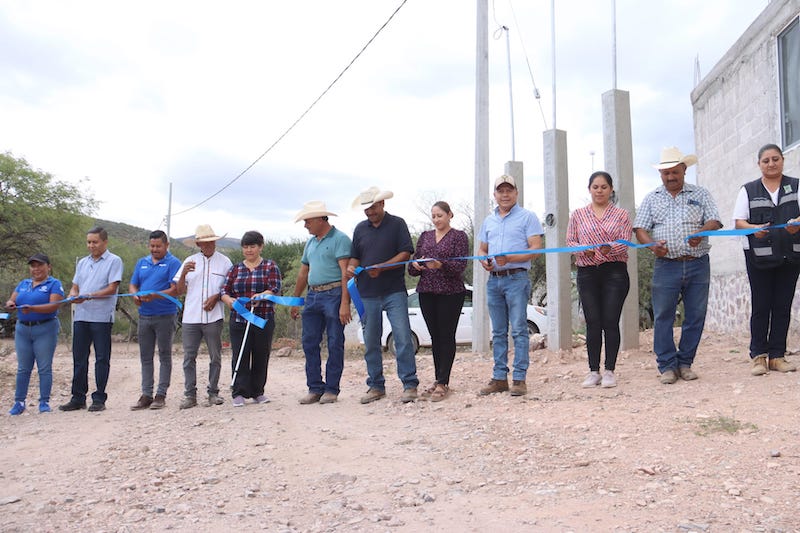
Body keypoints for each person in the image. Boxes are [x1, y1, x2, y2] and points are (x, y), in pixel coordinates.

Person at [634, 147, 722, 385]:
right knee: (663, 316)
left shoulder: (701, 194)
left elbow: (715, 220)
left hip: (698, 263)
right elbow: (640, 228)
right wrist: (653, 246)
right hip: (666, 265)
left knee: (695, 316)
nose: (670, 177)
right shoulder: (652, 198)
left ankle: (685, 363)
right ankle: (667, 367)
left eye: (675, 172)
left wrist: (701, 232)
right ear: (660, 174)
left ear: (684, 170)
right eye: (666, 173)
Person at [347, 186, 419, 404]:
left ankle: (409, 384)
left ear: (382, 204)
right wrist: (351, 268)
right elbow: (355, 257)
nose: (369, 212)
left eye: (372, 207)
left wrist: (383, 267)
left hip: (394, 290)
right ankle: (376, 385)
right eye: (366, 209)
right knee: (370, 341)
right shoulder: (360, 229)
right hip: (367, 292)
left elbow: (406, 252)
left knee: (403, 337)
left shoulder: (398, 224)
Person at [733, 144, 800, 376]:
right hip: (758, 258)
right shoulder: (748, 190)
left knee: (782, 306)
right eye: (766, 160)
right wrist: (753, 229)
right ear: (759, 164)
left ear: (782, 160)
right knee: (761, 306)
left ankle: (777, 356)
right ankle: (758, 356)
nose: (771, 164)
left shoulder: (796, 185)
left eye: (775, 159)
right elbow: (738, 222)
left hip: (790, 256)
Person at [477, 175, 543, 397]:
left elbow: (535, 249)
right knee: (497, 332)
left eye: (509, 190)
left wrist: (512, 259)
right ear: (494, 195)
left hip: (516, 278)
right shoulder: (489, 221)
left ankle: (519, 378)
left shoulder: (528, 217)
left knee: (518, 329)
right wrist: (483, 259)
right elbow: (482, 248)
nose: (505, 195)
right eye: (500, 191)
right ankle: (499, 378)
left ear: (516, 193)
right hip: (494, 279)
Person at [566, 172, 632, 389]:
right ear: (589, 189)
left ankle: (610, 370)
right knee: (593, 322)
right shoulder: (578, 215)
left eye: (604, 187)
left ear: (611, 189)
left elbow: (625, 241)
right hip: (587, 271)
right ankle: (593, 371)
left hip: (615, 271)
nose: (600, 190)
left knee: (610, 320)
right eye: (595, 187)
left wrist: (609, 248)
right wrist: (586, 251)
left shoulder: (621, 214)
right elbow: (570, 241)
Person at [290, 201, 352, 405]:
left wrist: (345, 303)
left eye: (307, 221)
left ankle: (332, 389)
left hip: (334, 294)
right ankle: (315, 387)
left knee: (335, 341)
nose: (305, 225)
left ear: (320, 219)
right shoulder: (310, 243)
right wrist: (295, 300)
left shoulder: (340, 239)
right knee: (309, 342)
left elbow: (346, 273)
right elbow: (303, 272)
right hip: (313, 295)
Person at [408, 201, 469, 401]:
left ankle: (444, 382)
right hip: (427, 291)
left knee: (446, 335)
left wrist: (440, 264)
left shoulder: (459, 236)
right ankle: (437, 379)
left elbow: (460, 266)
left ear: (450, 215)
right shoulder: (425, 237)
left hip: (450, 292)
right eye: (433, 216)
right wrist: (417, 265)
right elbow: (411, 266)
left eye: (440, 215)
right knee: (435, 336)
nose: (436, 220)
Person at [59, 226, 123, 413]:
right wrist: (73, 295)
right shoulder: (83, 263)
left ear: (105, 242)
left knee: (101, 358)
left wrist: (89, 295)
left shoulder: (114, 261)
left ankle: (99, 398)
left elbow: (112, 288)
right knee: (79, 358)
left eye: (95, 242)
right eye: (89, 242)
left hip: (101, 317)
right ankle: (78, 397)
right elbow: (75, 287)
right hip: (81, 316)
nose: (91, 245)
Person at [174, 224, 233, 409]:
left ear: (215, 241)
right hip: (191, 316)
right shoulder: (189, 261)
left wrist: (216, 297)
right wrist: (183, 273)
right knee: (188, 357)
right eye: (204, 242)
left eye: (211, 242)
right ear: (198, 243)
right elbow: (179, 290)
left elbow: (229, 288)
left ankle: (213, 392)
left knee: (215, 355)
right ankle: (190, 395)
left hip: (214, 316)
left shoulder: (225, 262)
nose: (208, 245)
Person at [220, 230, 282, 407]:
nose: (249, 250)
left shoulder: (270, 266)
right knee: (240, 354)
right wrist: (229, 300)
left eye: (252, 246)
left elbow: (274, 288)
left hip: (263, 318)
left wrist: (262, 295)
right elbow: (224, 290)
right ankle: (239, 392)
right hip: (239, 320)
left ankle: (257, 391)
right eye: (245, 247)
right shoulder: (235, 269)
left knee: (261, 355)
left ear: (260, 247)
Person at [129, 230, 182, 410]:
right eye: (152, 246)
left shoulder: (173, 263)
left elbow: (175, 289)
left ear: (167, 245)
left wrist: (156, 295)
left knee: (165, 355)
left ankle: (161, 394)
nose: (155, 249)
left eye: (158, 246)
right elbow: (133, 283)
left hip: (165, 316)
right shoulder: (141, 263)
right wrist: (135, 294)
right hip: (144, 316)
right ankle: (146, 394)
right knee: (145, 356)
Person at [5, 253, 64, 415]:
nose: (36, 269)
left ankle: (44, 402)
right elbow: (12, 300)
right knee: (23, 368)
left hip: (45, 328)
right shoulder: (23, 284)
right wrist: (10, 304)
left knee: (44, 367)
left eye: (40, 265)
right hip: (23, 329)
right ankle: (19, 402)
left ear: (48, 267)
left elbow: (54, 305)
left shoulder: (54, 284)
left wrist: (33, 309)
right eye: (33, 265)